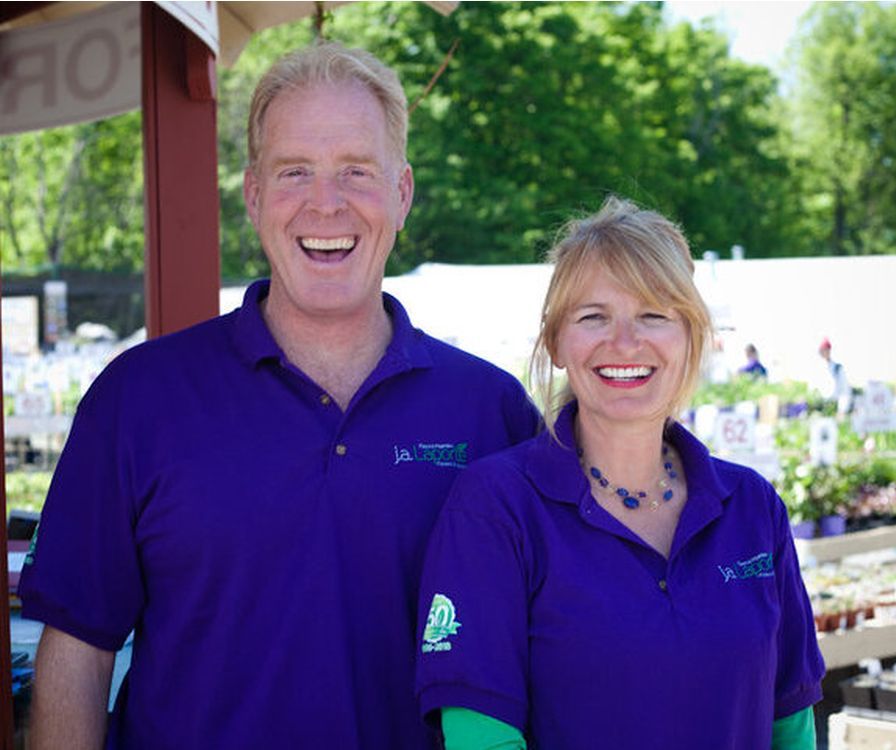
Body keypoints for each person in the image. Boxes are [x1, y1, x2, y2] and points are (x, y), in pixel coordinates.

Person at [18, 43, 538, 750]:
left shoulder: (490, 410)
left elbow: (549, 646)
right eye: (295, 172)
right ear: (254, 196)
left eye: (356, 171)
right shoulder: (137, 400)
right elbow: (79, 649)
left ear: (403, 194)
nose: (326, 203)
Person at [416, 196, 825, 749]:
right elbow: (479, 739)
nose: (625, 342)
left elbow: (791, 727)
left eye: (653, 314)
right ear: (556, 341)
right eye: (594, 317)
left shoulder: (752, 507)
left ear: (691, 338)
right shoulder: (497, 506)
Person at [818, 337, 851, 416]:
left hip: (834, 409)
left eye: (825, 350)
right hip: (819, 409)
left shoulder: (837, 368)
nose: (823, 352)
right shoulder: (816, 369)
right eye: (822, 350)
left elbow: (845, 391)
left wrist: (842, 410)